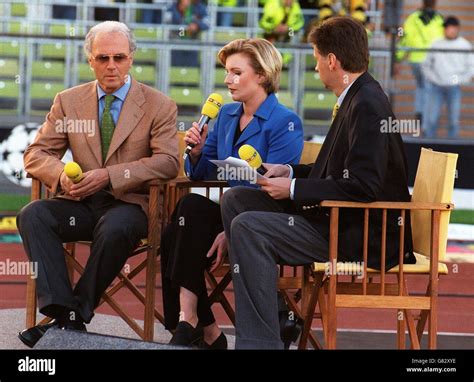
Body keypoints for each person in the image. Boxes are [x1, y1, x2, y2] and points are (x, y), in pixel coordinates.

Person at [221, 16, 416, 349]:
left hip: (357, 233)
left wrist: (294, 190)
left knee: (248, 227)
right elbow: (339, 170)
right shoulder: (358, 96)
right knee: (236, 199)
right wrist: (290, 172)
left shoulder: (367, 104)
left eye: (315, 61)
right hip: (335, 220)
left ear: (332, 61)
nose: (315, 70)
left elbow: (363, 185)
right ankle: (277, 316)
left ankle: (260, 343)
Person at [17, 21, 180, 348]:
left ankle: (70, 317)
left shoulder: (159, 104)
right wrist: (62, 175)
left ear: (131, 58)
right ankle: (66, 313)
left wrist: (109, 175)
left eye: (119, 57)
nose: (111, 66)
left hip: (131, 207)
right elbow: (36, 153)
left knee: (116, 227)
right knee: (33, 214)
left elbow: (169, 162)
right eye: (102, 58)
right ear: (89, 60)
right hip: (80, 205)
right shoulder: (68, 100)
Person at [161, 38, 304, 349]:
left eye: (237, 73)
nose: (227, 80)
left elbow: (275, 190)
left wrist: (232, 229)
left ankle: (197, 327)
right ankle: (193, 320)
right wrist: (197, 153)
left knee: (181, 227)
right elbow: (203, 174)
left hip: (262, 221)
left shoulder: (286, 122)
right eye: (227, 72)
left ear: (263, 76)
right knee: (184, 216)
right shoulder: (225, 114)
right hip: (225, 209)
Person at [421, 16, 474, 138]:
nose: (449, 30)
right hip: (436, 87)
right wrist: (433, 78)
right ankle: (428, 146)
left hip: (454, 88)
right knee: (432, 119)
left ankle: (453, 148)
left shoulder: (464, 45)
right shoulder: (436, 43)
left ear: (457, 29)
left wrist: (458, 80)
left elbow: (471, 67)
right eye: (447, 28)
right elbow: (426, 65)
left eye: (451, 28)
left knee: (453, 120)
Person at [396, 0, 444, 124]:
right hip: (431, 60)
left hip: (415, 59)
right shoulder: (439, 19)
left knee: (420, 86)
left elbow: (404, 37)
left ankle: (419, 112)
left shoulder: (412, 18)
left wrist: (398, 58)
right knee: (428, 88)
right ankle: (426, 117)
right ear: (434, 4)